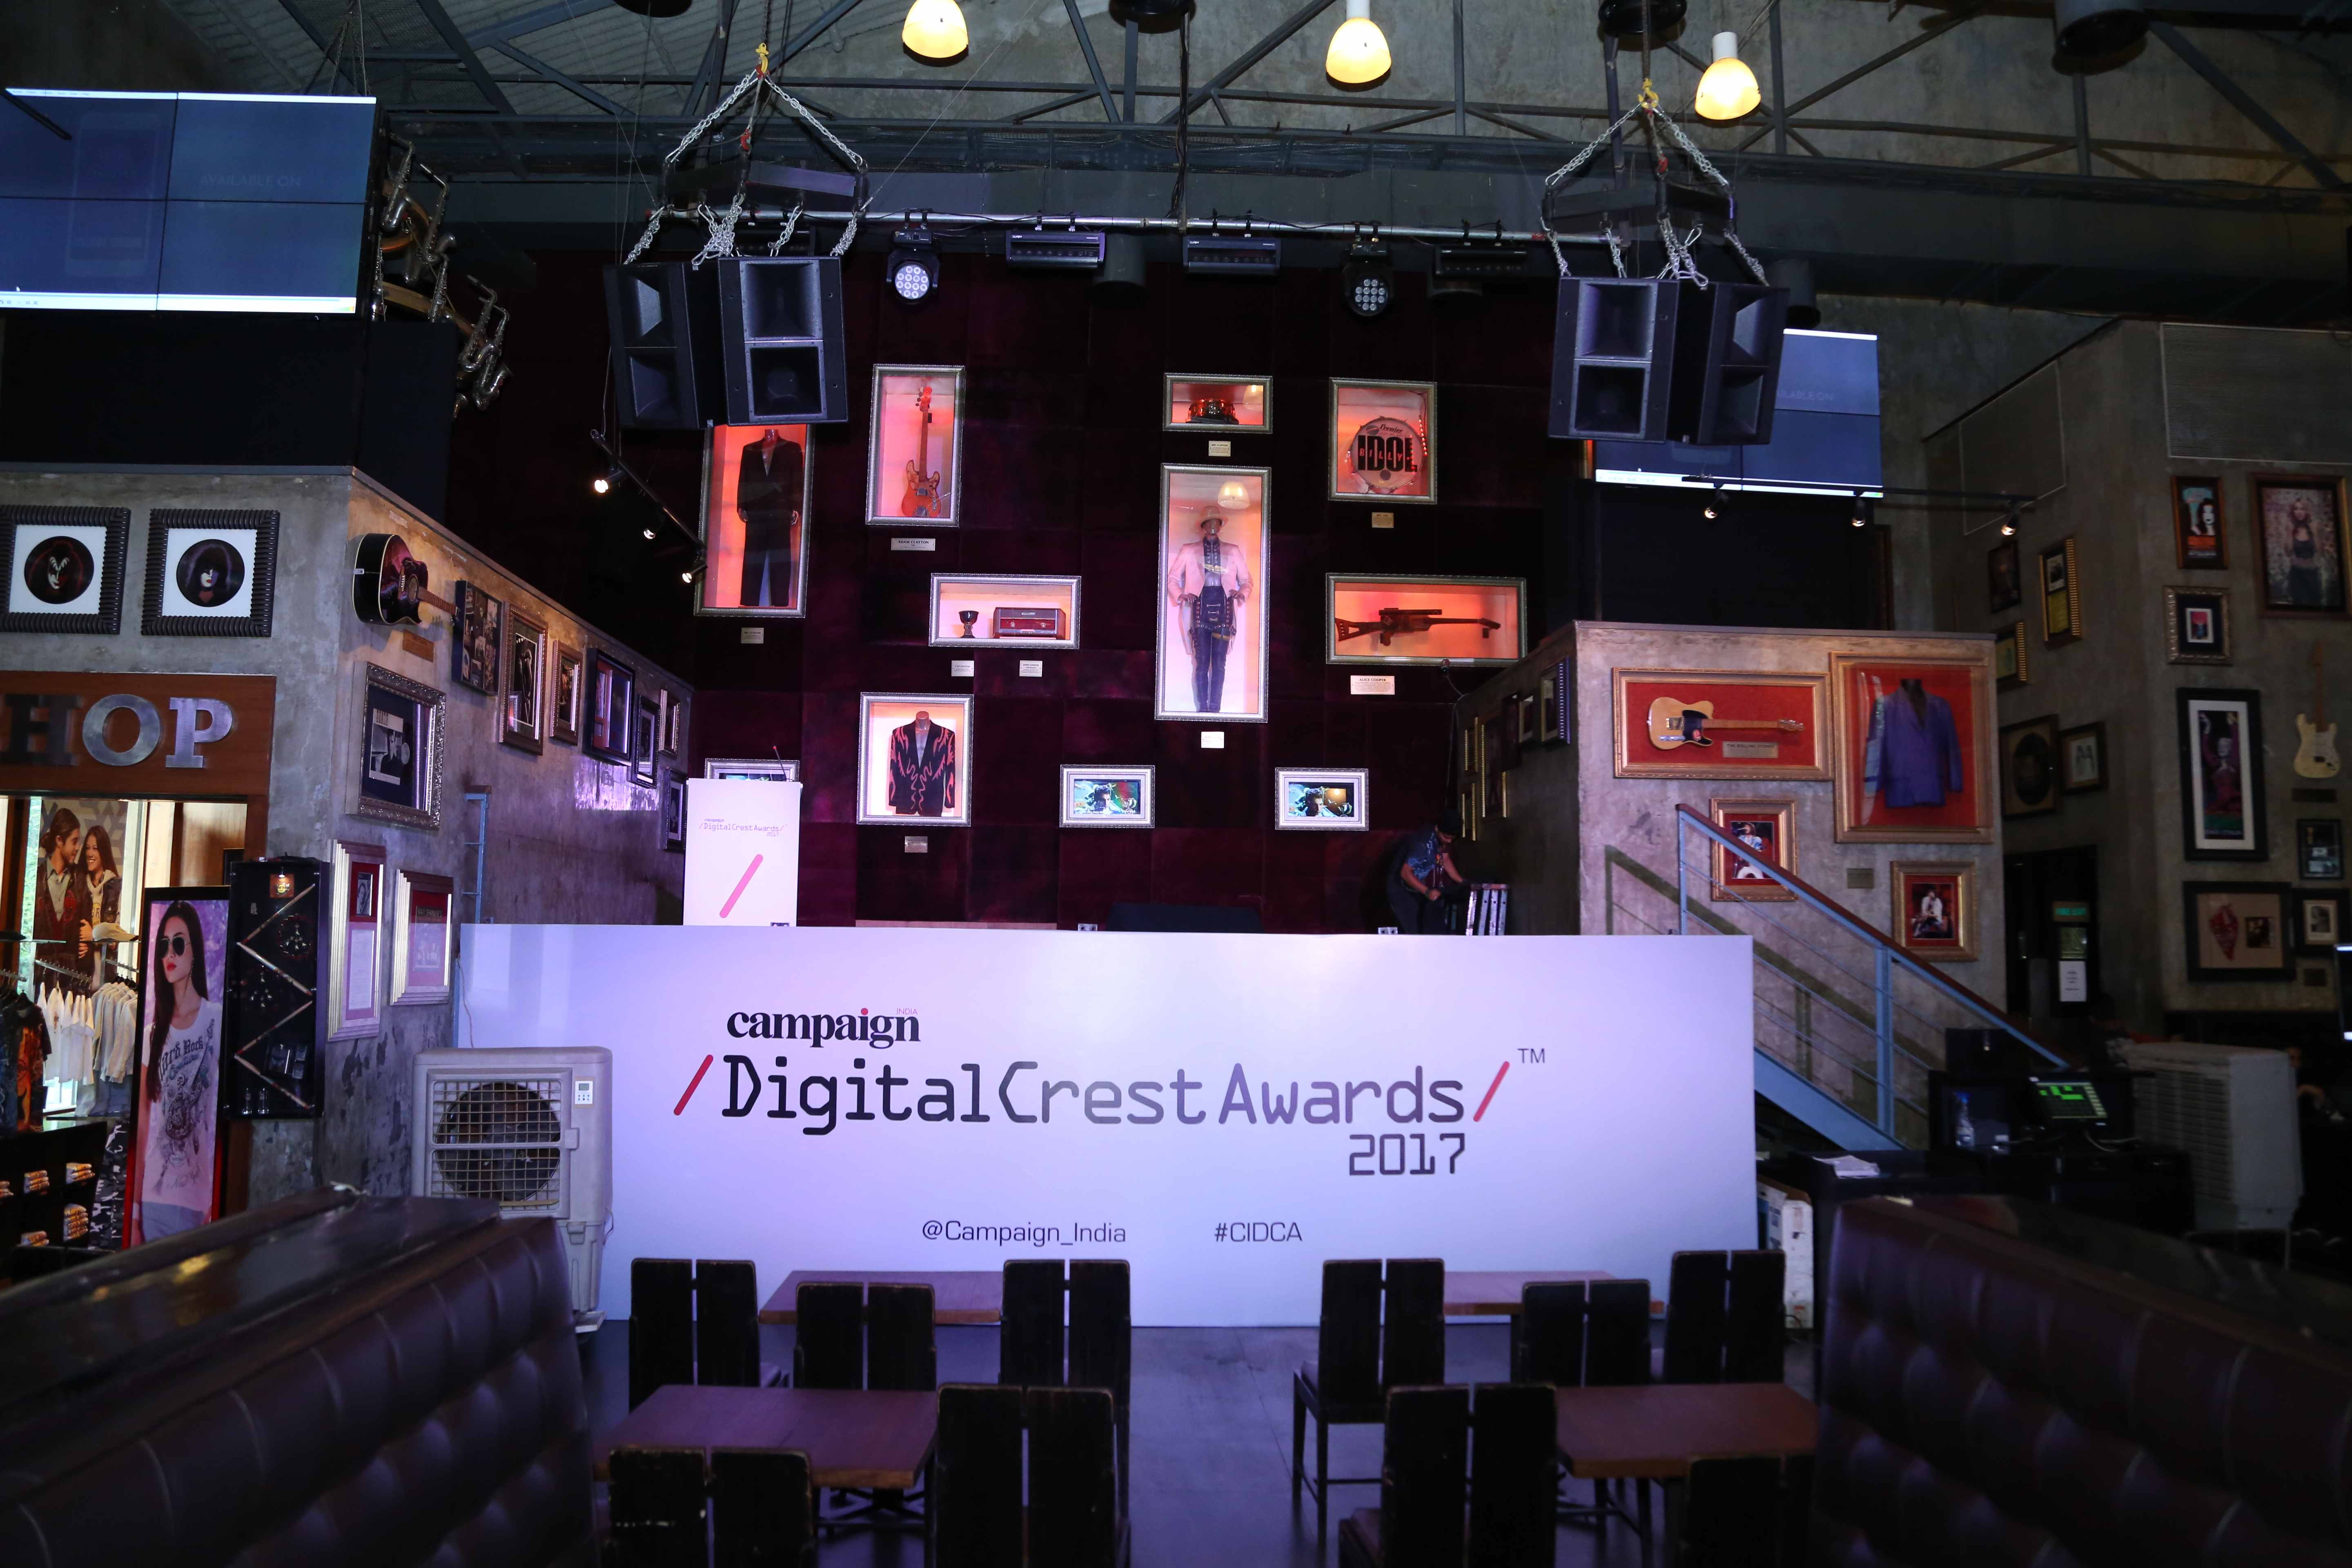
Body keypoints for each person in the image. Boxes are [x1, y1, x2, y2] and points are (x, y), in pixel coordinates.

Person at [138, 900, 220, 1241]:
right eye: (163, 946)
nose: (170, 953)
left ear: (195, 951)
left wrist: (216, 1198)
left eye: (179, 943)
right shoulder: (153, 1034)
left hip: (198, 1201)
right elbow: (144, 1120)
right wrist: (135, 1210)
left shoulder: (217, 1020)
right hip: (154, 1200)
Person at [1167, 512, 1252, 715]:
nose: (1213, 526)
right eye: (1209, 523)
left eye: (1216, 523)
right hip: (1199, 605)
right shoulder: (1189, 550)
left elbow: (1247, 580)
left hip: (1224, 606)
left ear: (1221, 526)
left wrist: (1242, 593)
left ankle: (1215, 709)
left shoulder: (1233, 550)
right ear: (1203, 526)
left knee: (1220, 663)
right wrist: (1181, 595)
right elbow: (1172, 578)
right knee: (1202, 661)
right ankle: (1203, 708)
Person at [737, 427, 803, 609]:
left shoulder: (792, 448)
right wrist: (742, 504)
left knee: (780, 559)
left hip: (781, 510)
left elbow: (797, 479)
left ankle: (781, 604)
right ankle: (749, 603)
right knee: (753, 558)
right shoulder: (750, 449)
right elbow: (744, 478)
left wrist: (796, 507)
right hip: (756, 510)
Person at [31, 806, 85, 991]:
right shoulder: (35, 879)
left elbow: (86, 925)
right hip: (38, 977)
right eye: (74, 841)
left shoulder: (80, 880)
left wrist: (89, 937)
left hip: (70, 981)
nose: (78, 848)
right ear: (60, 841)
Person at [1387, 810, 1467, 933]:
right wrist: (1427, 892)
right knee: (1413, 929)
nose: (1450, 842)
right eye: (1446, 837)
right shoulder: (1423, 844)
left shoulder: (1442, 839)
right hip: (1400, 887)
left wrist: (1462, 882)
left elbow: (1445, 859)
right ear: (1437, 829)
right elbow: (1405, 873)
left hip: (1415, 887)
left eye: (1452, 839)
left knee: (1425, 925)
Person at [887, 709, 957, 817]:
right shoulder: (899, 733)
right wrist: (894, 798)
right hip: (905, 796)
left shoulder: (946, 735)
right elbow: (894, 766)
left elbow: (950, 768)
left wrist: (950, 800)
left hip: (933, 798)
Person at [82, 825, 121, 987]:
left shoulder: (116, 888)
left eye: (96, 848)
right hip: (80, 972)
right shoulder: (79, 886)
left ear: (103, 852)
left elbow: (115, 939)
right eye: (88, 848)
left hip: (106, 975)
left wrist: (93, 936)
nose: (90, 853)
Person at [2285, 496, 2329, 608]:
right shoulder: (2291, 528)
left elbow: (2321, 552)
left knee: (2315, 605)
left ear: (2307, 511)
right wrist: (2289, 533)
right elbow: (2288, 553)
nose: (2299, 512)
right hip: (2296, 573)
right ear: (2293, 512)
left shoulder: (2314, 526)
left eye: (2302, 509)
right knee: (2298, 606)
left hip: (2312, 573)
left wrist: (2315, 533)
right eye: (2296, 509)